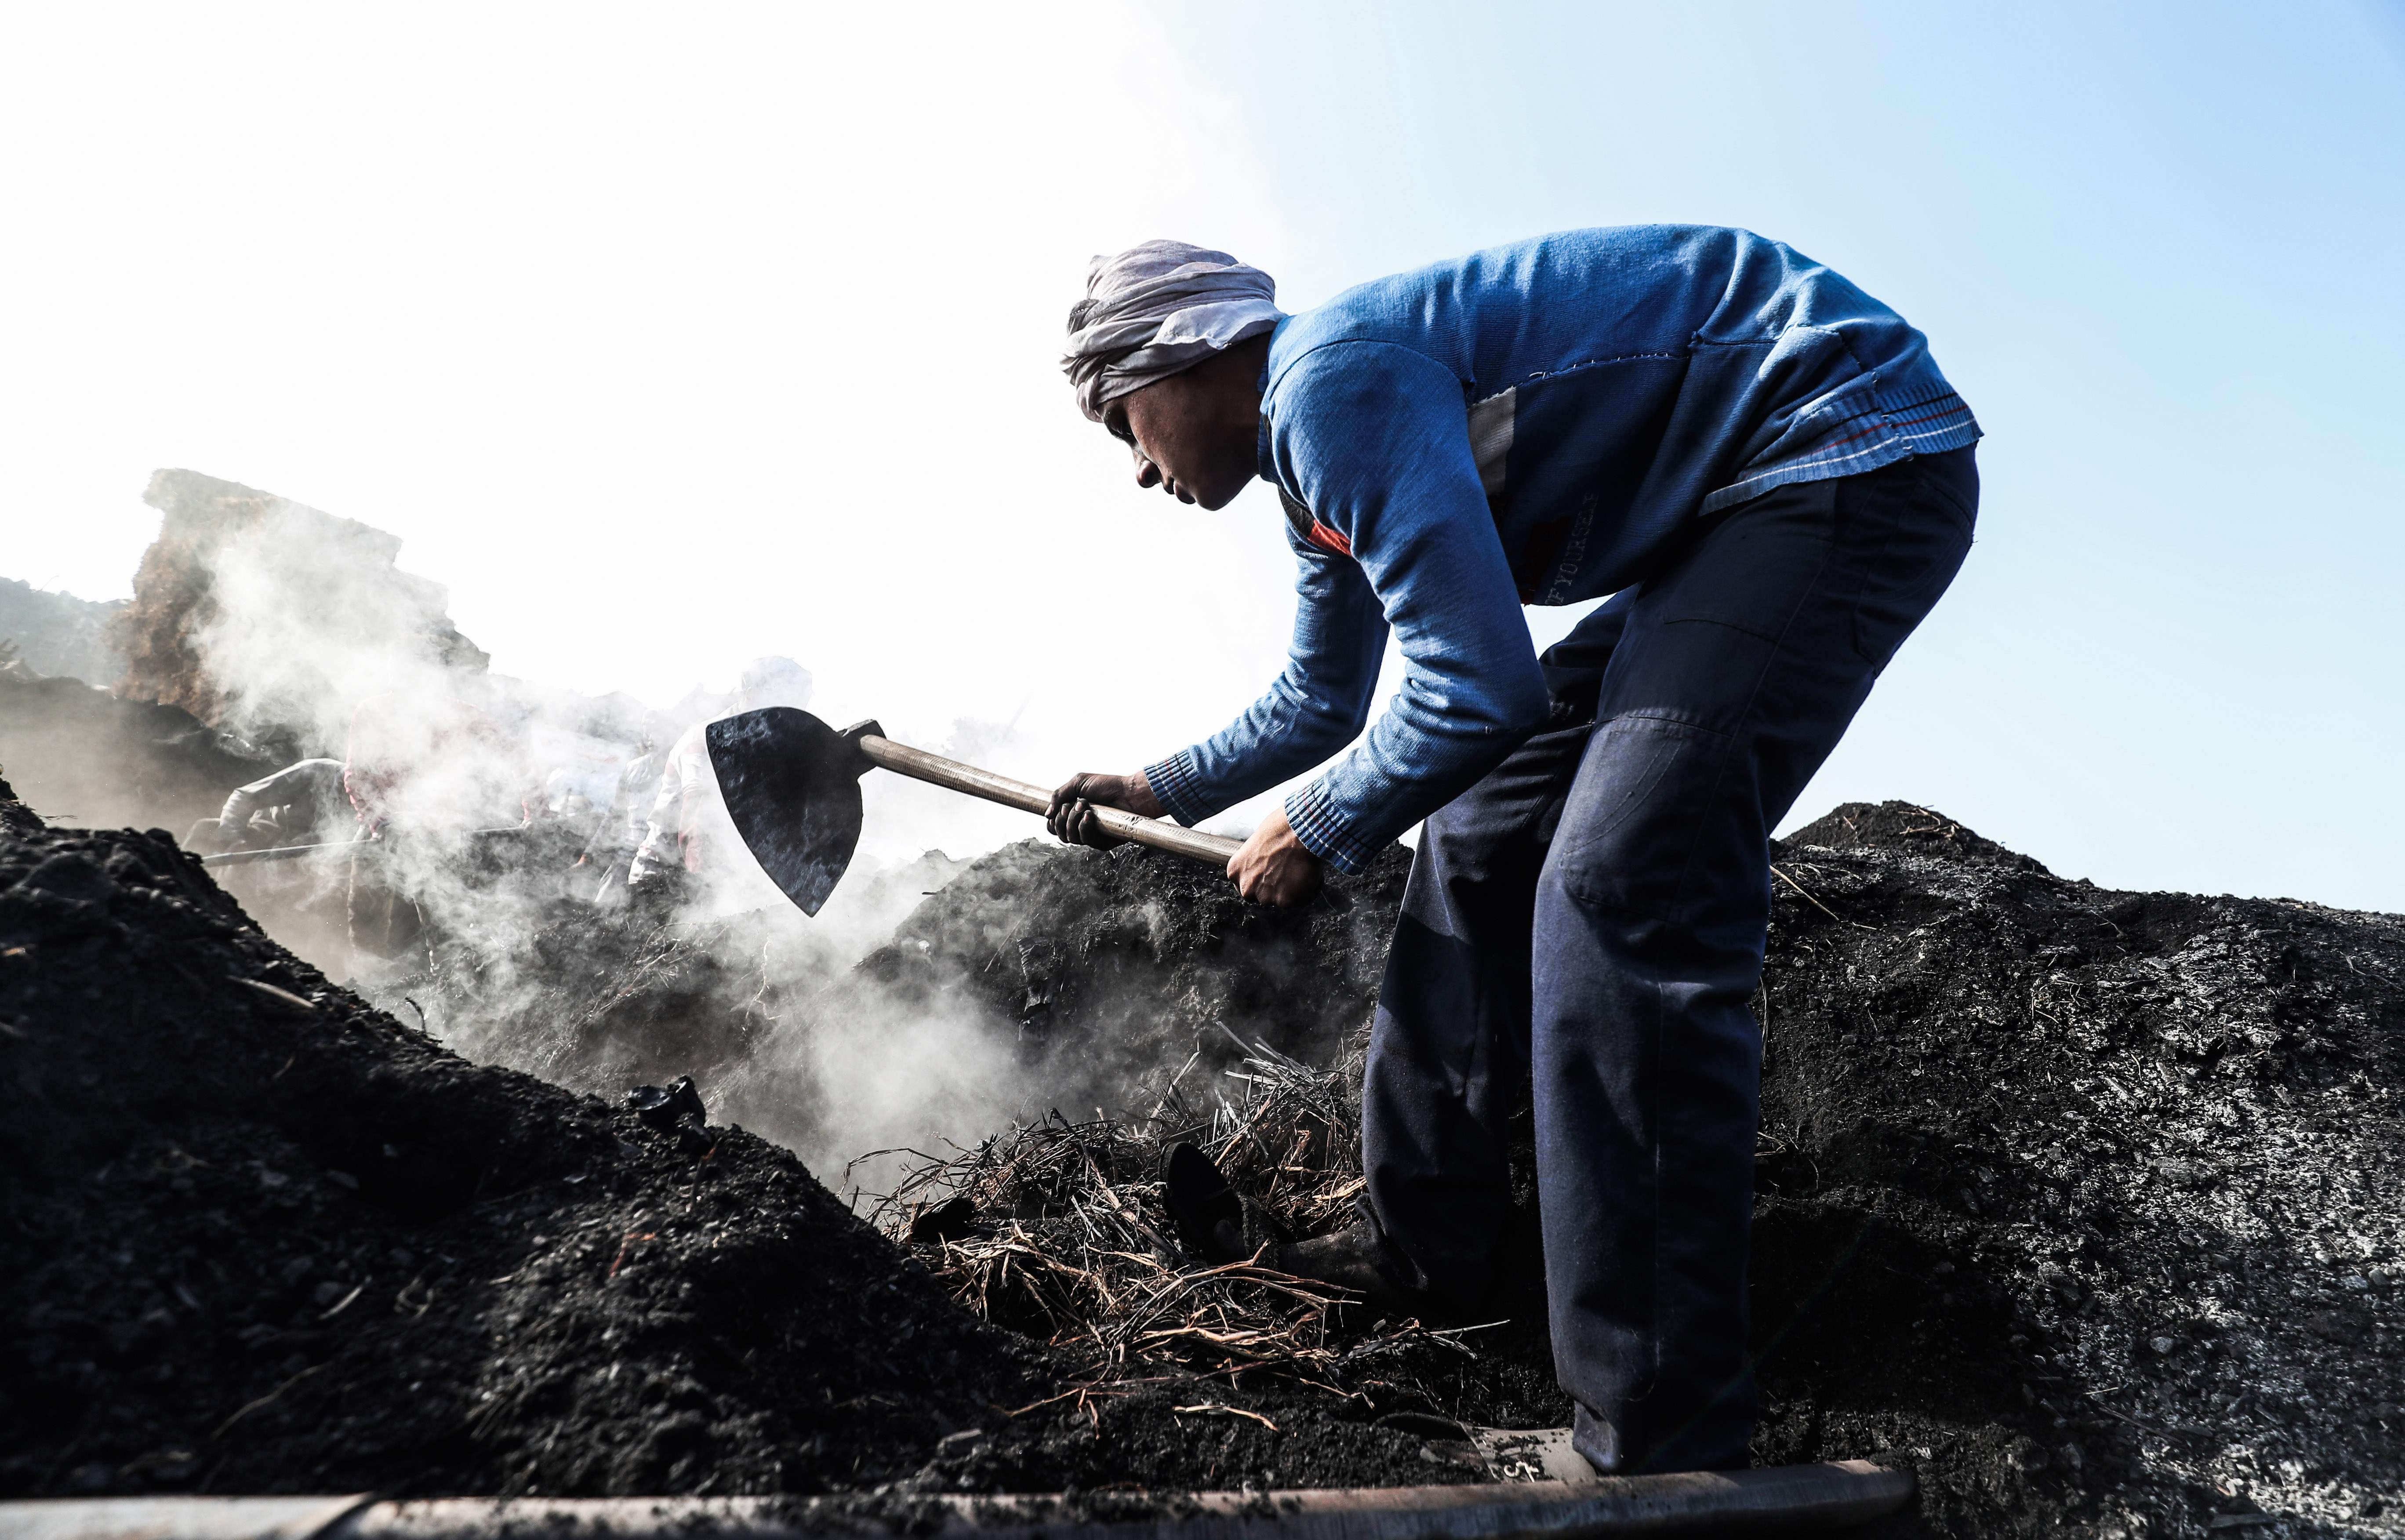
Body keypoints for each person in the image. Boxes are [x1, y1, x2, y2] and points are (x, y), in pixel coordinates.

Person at [1044, 230, 1980, 1475]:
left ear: (1187, 353)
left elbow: (1474, 689)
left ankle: (1663, 1432)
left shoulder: (1333, 382)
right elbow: (1325, 704)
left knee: (1622, 883)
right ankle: (1432, 1248)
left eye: (1123, 424)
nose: (1138, 469)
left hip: (1835, 450)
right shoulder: (1310, 469)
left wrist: (1318, 826)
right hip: (1724, 517)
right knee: (1480, 825)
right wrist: (1158, 785)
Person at [627, 657, 814, 907]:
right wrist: (714, 895)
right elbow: (697, 830)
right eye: (788, 703)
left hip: (715, 874)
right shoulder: (707, 740)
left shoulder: (762, 742)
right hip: (664, 878)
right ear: (754, 695)